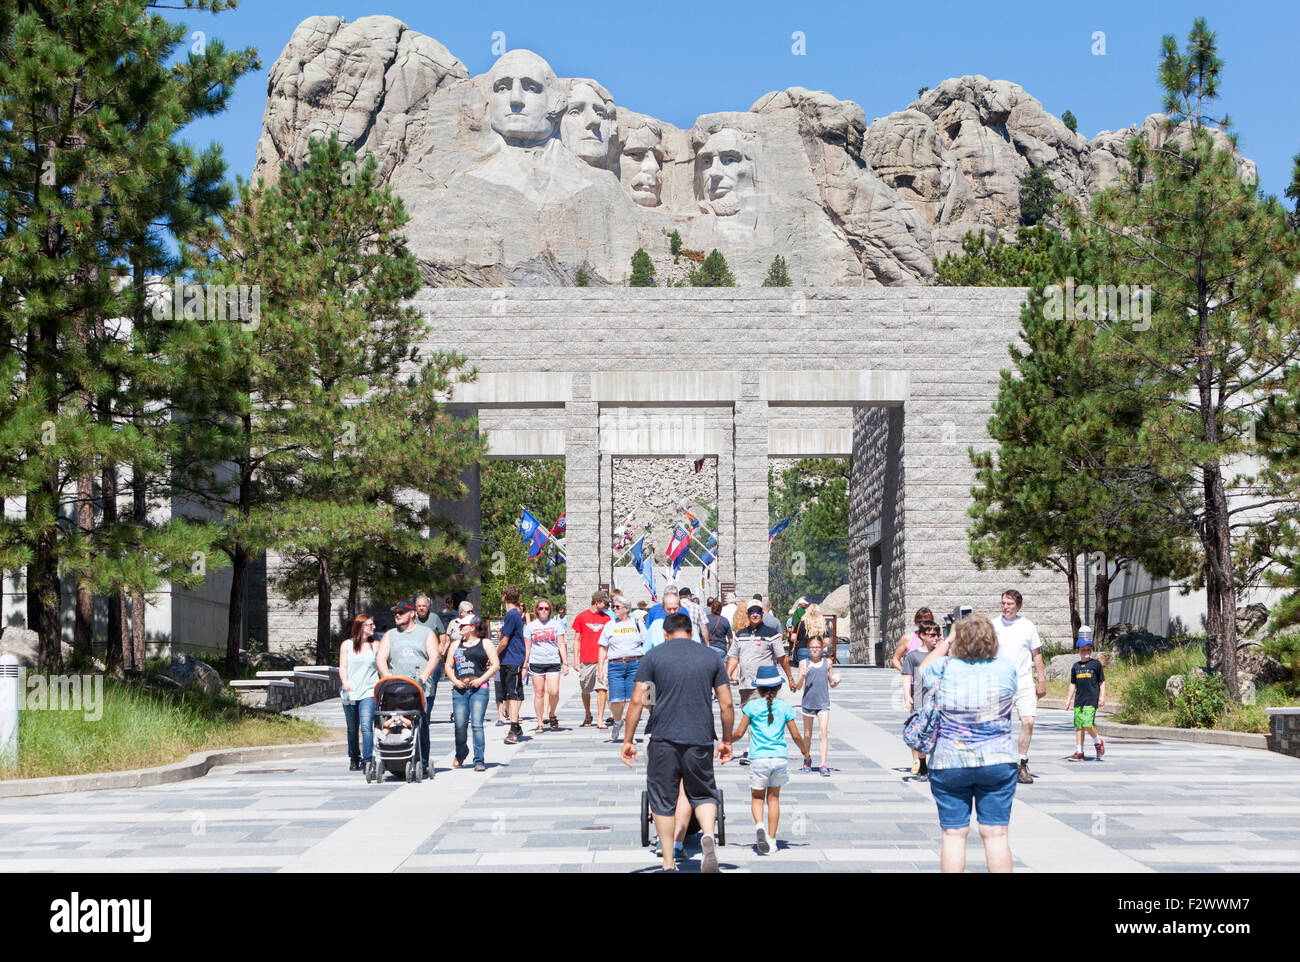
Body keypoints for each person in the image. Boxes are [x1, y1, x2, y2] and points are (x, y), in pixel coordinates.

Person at [621, 612, 735, 873]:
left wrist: (628, 740)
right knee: (704, 792)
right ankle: (707, 834)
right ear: (692, 632)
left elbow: (639, 700)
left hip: (663, 738)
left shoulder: (653, 657)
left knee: (662, 798)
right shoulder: (710, 657)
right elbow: (727, 703)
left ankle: (668, 862)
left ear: (665, 633)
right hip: (700, 737)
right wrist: (727, 739)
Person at [918, 613, 1019, 873]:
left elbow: (923, 667)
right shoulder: (1006, 668)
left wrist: (948, 639)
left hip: (950, 761)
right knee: (996, 835)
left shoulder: (943, 668)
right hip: (998, 760)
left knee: (953, 835)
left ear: (957, 641)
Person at [731, 665, 807, 854]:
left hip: (759, 759)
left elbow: (740, 733)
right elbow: (796, 735)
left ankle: (759, 826)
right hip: (779, 758)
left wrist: (727, 740)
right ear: (779, 687)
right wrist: (805, 751)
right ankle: (772, 841)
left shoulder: (751, 707)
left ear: (757, 688)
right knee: (773, 799)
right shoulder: (785, 707)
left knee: (757, 798)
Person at [727, 600, 795, 765]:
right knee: (749, 717)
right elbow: (734, 657)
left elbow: (781, 657)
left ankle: (752, 750)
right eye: (752, 612)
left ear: (762, 614)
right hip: (745, 684)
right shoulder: (740, 634)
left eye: (758, 611)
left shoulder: (771, 633)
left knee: (755, 716)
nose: (755, 614)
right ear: (748, 614)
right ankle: (757, 748)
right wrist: (727, 675)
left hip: (763, 685)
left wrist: (790, 678)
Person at [375, 600, 437, 778]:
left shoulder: (426, 633)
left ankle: (423, 761)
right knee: (395, 720)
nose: (397, 614)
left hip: (420, 688)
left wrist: (424, 676)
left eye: (401, 612)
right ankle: (396, 760)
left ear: (412, 613)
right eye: (395, 612)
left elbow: (434, 657)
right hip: (395, 687)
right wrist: (386, 675)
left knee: (421, 724)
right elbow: (381, 658)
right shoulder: (390, 635)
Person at [991, 589, 1046, 784]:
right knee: (999, 726)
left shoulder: (1027, 626)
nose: (1005, 607)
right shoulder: (994, 625)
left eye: (1009, 604)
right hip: (1001, 682)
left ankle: (1022, 763)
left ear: (1018, 606)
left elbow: (1036, 654)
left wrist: (1041, 680)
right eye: (1003, 603)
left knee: (1028, 721)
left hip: (1024, 681)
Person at [445, 615, 500, 772]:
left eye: (463, 626)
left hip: (479, 688)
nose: (460, 628)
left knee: (476, 724)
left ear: (473, 627)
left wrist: (482, 678)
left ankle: (479, 760)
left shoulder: (485, 643)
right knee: (460, 725)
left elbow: (495, 664)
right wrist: (455, 681)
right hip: (460, 688)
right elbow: (448, 666)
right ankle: (461, 753)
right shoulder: (456, 645)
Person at [598, 596, 647, 743]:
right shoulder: (609, 625)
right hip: (615, 666)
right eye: (613, 607)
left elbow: (646, 643)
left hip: (635, 664)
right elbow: (603, 647)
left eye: (617, 607)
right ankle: (618, 721)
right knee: (615, 700)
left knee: (634, 701)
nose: (614, 609)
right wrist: (600, 669)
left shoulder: (637, 623)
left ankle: (629, 734)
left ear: (627, 608)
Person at [900, 620, 941, 779]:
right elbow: (906, 677)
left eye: (937, 635)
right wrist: (907, 696)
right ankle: (922, 762)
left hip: (938, 702)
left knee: (938, 733)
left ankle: (934, 765)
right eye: (932, 635)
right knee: (922, 733)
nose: (935, 638)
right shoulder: (914, 656)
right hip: (920, 699)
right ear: (922, 636)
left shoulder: (941, 653)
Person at [339, 614, 379, 771]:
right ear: (360, 627)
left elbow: (383, 664)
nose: (373, 627)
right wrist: (345, 681)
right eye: (370, 625)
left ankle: (367, 759)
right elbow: (342, 667)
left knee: (366, 726)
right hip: (350, 693)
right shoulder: (346, 645)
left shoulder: (376, 645)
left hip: (369, 691)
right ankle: (354, 757)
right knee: (352, 728)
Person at [796, 636, 840, 776]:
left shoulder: (827, 662)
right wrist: (802, 676)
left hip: (823, 702)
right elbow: (797, 687)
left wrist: (836, 682)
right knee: (807, 734)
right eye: (812, 647)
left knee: (823, 732)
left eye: (817, 647)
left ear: (822, 649)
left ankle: (823, 764)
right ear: (808, 649)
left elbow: (831, 683)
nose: (815, 650)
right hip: (808, 702)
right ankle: (807, 759)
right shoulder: (803, 663)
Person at [524, 597, 569, 733]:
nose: (543, 610)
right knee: (539, 694)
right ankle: (539, 723)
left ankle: (552, 713)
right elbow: (527, 648)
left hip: (553, 661)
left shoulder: (556, 625)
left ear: (550, 611)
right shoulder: (530, 626)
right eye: (541, 608)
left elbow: (561, 644)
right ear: (537, 610)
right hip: (536, 662)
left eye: (546, 608)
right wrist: (524, 666)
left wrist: (565, 663)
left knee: (554, 691)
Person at [570, 590, 611, 728]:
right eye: (605, 602)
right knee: (586, 689)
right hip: (586, 659)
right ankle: (588, 714)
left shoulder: (607, 619)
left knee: (602, 688)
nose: (606, 605)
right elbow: (576, 640)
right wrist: (575, 658)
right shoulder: (582, 617)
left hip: (603, 659)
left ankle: (600, 719)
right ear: (597, 601)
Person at [1064, 638, 1107, 761]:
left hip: (1091, 699)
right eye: (1083, 650)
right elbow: (1073, 684)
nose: (1086, 652)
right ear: (1078, 650)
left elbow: (1102, 682)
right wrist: (1068, 700)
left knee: (1087, 722)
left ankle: (1098, 742)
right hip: (1079, 700)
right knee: (1079, 725)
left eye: (1088, 649)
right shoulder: (1076, 667)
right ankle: (1079, 751)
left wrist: (1102, 696)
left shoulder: (1096, 664)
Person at [496, 585, 528, 745]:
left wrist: (493, 654)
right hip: (508, 659)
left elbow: (504, 640)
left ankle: (514, 728)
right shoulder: (515, 614)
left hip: (512, 659)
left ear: (504, 596)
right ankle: (516, 727)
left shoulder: (512, 614)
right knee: (509, 694)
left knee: (512, 694)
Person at [415, 593, 449, 716]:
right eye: (419, 606)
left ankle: (427, 713)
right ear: (415, 607)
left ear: (428, 607)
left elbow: (442, 633)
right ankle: (418, 711)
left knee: (431, 687)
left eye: (424, 606)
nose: (422, 608)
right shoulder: (412, 618)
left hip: (432, 659)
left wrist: (441, 647)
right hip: (416, 659)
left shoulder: (434, 618)